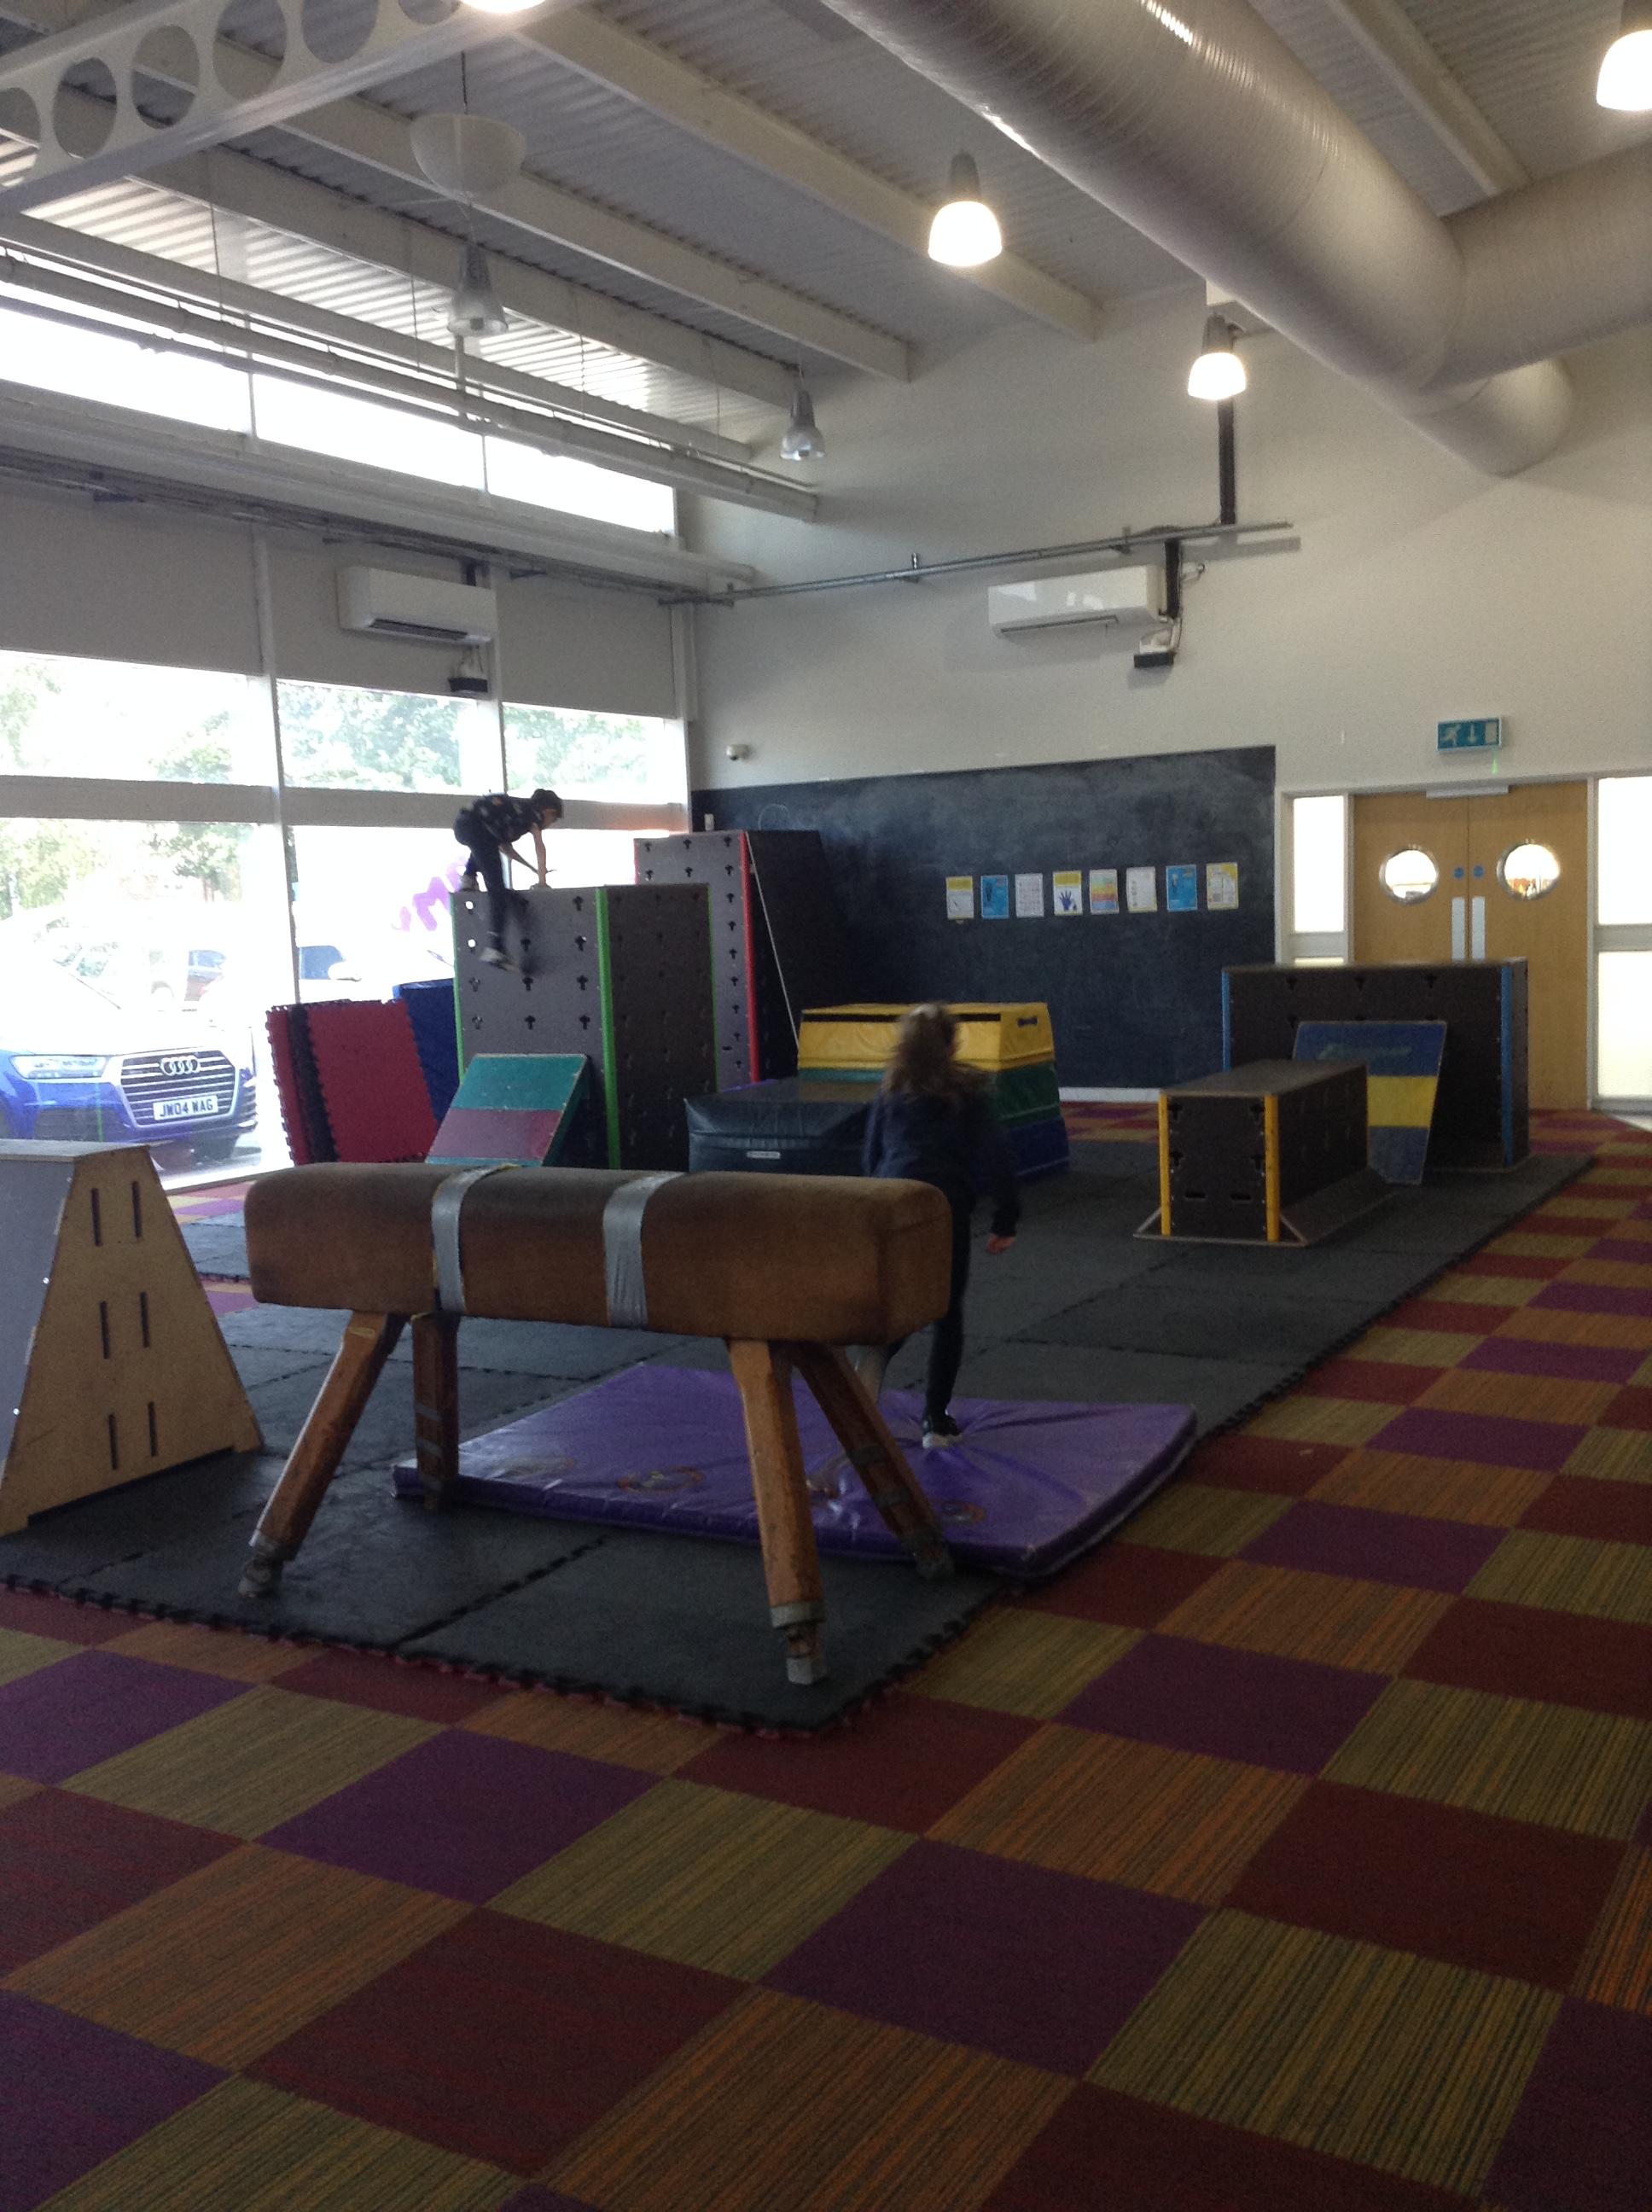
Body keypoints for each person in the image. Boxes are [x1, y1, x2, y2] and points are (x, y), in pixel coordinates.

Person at [860, 1002, 1020, 1449]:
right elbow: (997, 1157)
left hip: (892, 1205)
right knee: (947, 1314)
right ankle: (935, 1420)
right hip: (942, 1207)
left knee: (901, 1302)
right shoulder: (968, 1092)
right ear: (951, 1045)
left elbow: (871, 1155)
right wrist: (1005, 1217)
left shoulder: (890, 1091)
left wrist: (872, 1209)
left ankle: (871, 1366)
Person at [452, 788, 563, 969]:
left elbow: (506, 849)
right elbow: (540, 847)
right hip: (478, 828)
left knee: (483, 847)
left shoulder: (513, 812)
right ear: (549, 811)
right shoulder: (533, 814)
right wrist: (542, 881)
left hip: (465, 824)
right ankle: (496, 948)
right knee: (498, 891)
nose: (550, 824)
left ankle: (468, 879)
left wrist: (533, 869)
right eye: (553, 820)